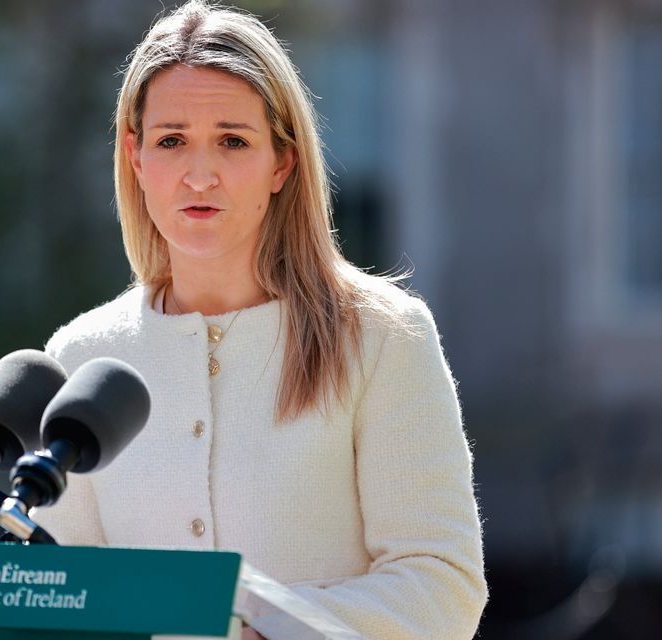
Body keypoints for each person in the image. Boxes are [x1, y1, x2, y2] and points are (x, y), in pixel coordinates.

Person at [33, 1, 488, 638]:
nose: (199, 173)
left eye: (232, 141)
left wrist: (264, 630)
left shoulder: (384, 337)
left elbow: (442, 586)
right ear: (135, 157)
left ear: (282, 162)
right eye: (171, 141)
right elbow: (59, 601)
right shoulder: (79, 358)